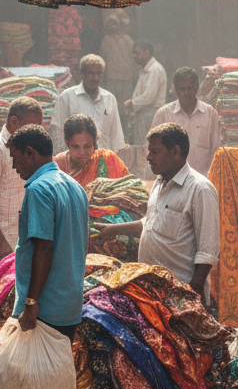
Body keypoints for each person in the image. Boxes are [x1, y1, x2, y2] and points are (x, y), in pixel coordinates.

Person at [6, 124, 88, 389]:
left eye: (16, 159)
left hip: (43, 309)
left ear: (30, 152)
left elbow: (44, 246)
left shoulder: (39, 190)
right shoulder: (73, 186)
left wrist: (30, 302)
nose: (15, 167)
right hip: (67, 305)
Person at [93, 123, 219, 305]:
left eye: (155, 151)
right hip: (152, 294)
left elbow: (208, 251)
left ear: (175, 152)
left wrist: (192, 294)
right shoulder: (159, 184)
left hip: (180, 297)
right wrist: (111, 230)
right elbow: (149, 225)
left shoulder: (200, 189)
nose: (148, 157)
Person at [0, 97, 46, 267]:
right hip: (0, 247)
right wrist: (0, 243)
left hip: (21, 242)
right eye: (32, 126)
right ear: (14, 122)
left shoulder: (25, 148)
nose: (35, 132)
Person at [150, 67, 221, 175]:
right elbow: (154, 150)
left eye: (190, 88)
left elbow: (216, 150)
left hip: (202, 180)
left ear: (197, 86)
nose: (186, 93)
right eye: (181, 89)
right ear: (175, 89)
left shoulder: (210, 113)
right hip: (171, 181)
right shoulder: (163, 114)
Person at [50, 54, 125, 153]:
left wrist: (117, 161)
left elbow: (116, 134)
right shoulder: (67, 97)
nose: (95, 78)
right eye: (91, 73)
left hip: (103, 160)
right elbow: (57, 132)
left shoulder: (110, 99)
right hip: (76, 159)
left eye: (99, 73)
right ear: (82, 73)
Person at [53, 113, 130, 186]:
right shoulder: (57, 166)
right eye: (76, 147)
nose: (82, 152)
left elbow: (131, 189)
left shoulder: (107, 160)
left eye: (87, 146)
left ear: (94, 142)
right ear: (67, 143)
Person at [125, 40, 167, 144]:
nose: (134, 56)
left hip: (151, 115)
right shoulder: (145, 69)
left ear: (147, 52)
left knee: (147, 149)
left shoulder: (154, 69)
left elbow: (148, 97)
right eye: (133, 53)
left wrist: (132, 103)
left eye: (137, 53)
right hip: (144, 115)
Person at [99, 10, 136, 106]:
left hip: (117, 77)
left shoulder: (107, 40)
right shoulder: (127, 40)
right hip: (121, 77)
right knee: (120, 103)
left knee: (114, 103)